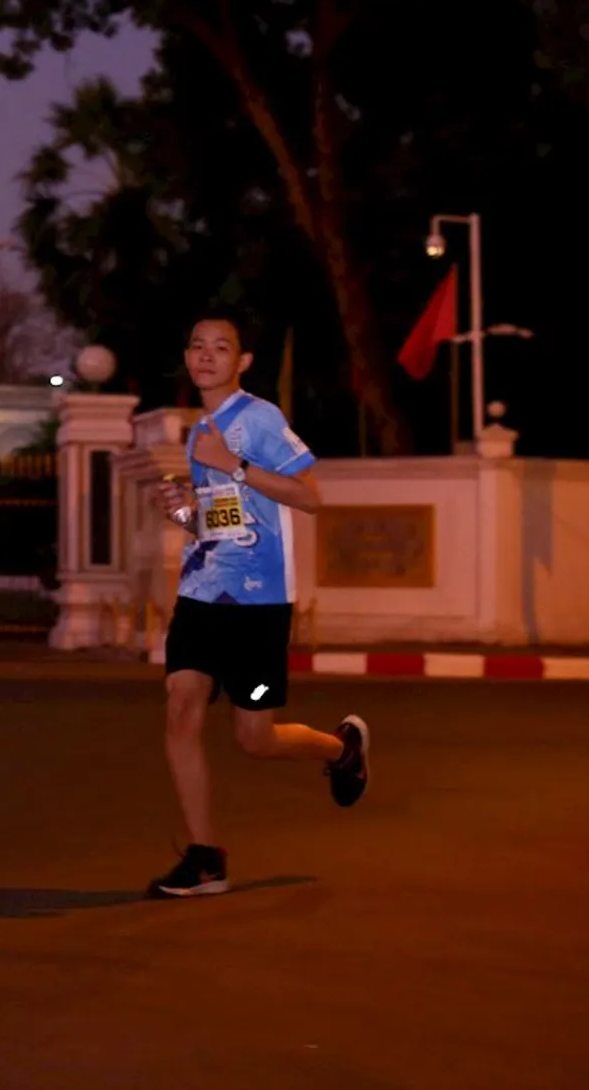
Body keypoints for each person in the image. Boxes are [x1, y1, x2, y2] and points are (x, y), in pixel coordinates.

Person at [147, 311, 370, 898]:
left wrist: (235, 465)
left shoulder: (259, 418)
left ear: (241, 362)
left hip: (259, 602)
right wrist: (179, 512)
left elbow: (308, 497)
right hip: (200, 594)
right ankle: (205, 855)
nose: (206, 355)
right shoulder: (201, 431)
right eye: (197, 345)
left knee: (254, 737)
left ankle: (340, 749)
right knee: (180, 707)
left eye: (221, 347)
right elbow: (215, 521)